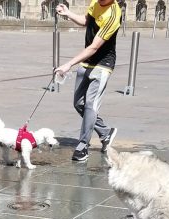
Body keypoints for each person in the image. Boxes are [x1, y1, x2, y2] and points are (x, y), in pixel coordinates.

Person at [54, 0, 121, 163]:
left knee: (91, 105)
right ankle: (105, 133)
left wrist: (69, 64)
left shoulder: (113, 14)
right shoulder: (95, 3)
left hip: (103, 64)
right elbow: (86, 21)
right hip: (86, 61)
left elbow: (94, 47)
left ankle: (82, 146)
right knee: (79, 104)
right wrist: (68, 13)